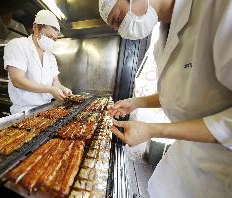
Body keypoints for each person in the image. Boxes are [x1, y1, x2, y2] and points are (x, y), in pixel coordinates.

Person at [99, 0, 232, 197]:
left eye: (118, 20)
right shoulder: (162, 36)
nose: (120, 31)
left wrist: (154, 130)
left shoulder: (219, 8)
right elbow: (180, 92)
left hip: (220, 175)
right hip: (183, 164)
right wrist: (136, 103)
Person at [4, 10, 72, 114]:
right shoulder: (17, 45)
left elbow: (55, 82)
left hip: (47, 109)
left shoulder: (50, 57)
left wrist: (62, 88)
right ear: (36, 28)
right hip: (24, 112)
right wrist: (50, 90)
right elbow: (17, 80)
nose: (51, 41)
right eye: (49, 36)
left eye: (54, 39)